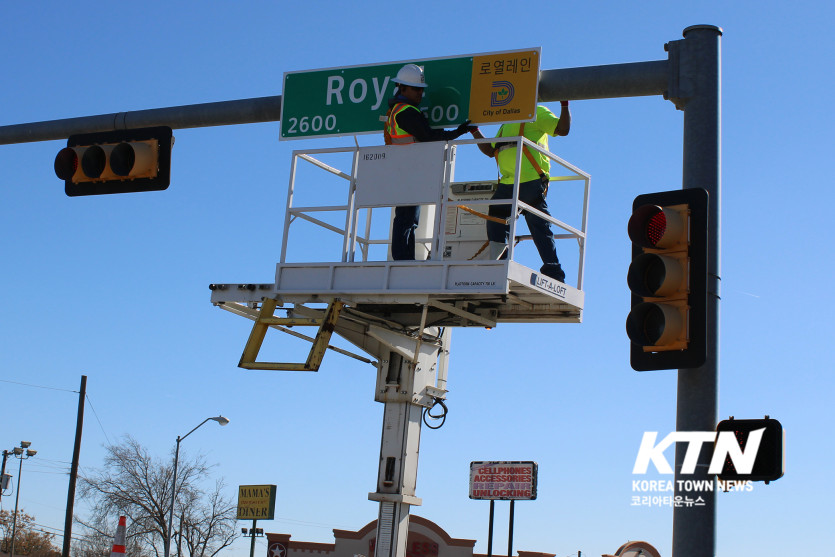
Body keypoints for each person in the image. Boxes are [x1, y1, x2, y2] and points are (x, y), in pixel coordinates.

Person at [384, 64, 476, 260]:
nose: (421, 94)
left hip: (404, 169)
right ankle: (403, 259)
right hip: (409, 170)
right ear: (402, 88)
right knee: (407, 218)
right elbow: (428, 136)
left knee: (407, 218)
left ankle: (404, 258)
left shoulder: (396, 111)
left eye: (421, 89)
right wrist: (458, 132)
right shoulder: (406, 112)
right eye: (416, 89)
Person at [473, 102, 571, 282]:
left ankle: (553, 271)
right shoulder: (509, 120)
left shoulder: (537, 112)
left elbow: (563, 130)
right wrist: (474, 131)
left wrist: (564, 106)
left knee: (538, 223)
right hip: (508, 183)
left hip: (531, 180)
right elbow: (490, 150)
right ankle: (500, 266)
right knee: (496, 220)